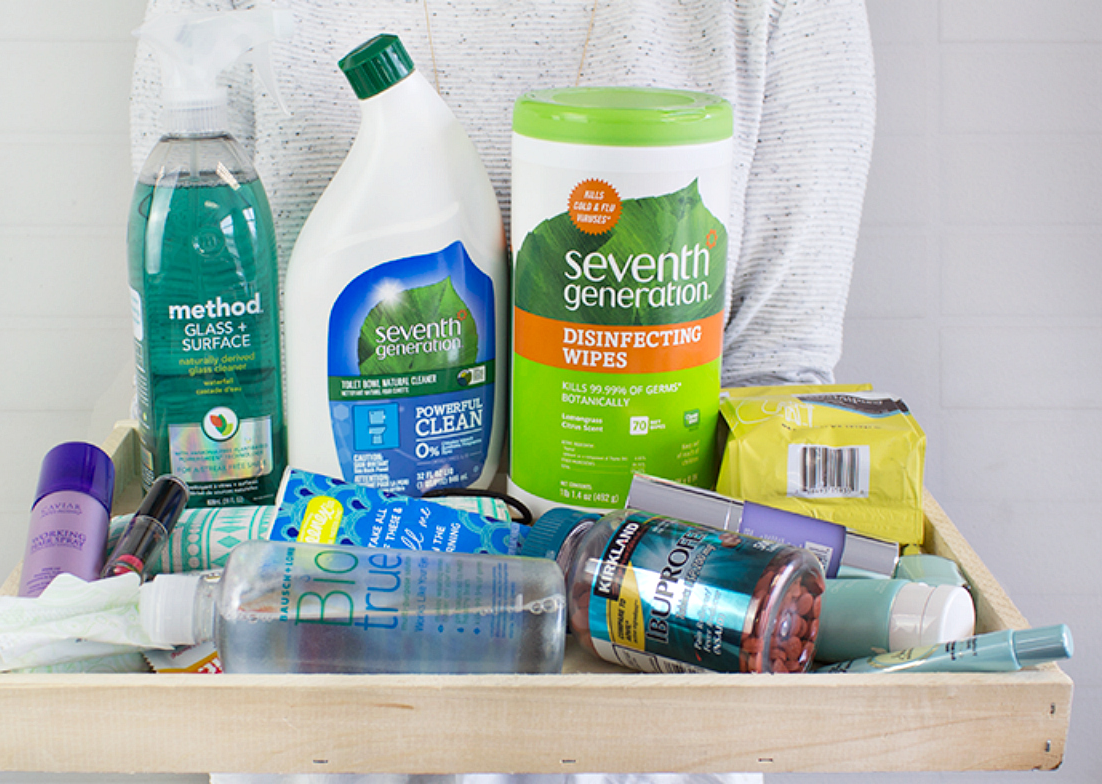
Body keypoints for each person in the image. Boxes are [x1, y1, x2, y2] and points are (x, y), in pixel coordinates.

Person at [130, 1, 874, 782]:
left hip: (659, 669)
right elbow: (191, 336)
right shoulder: (214, 25)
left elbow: (773, 389)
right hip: (327, 688)